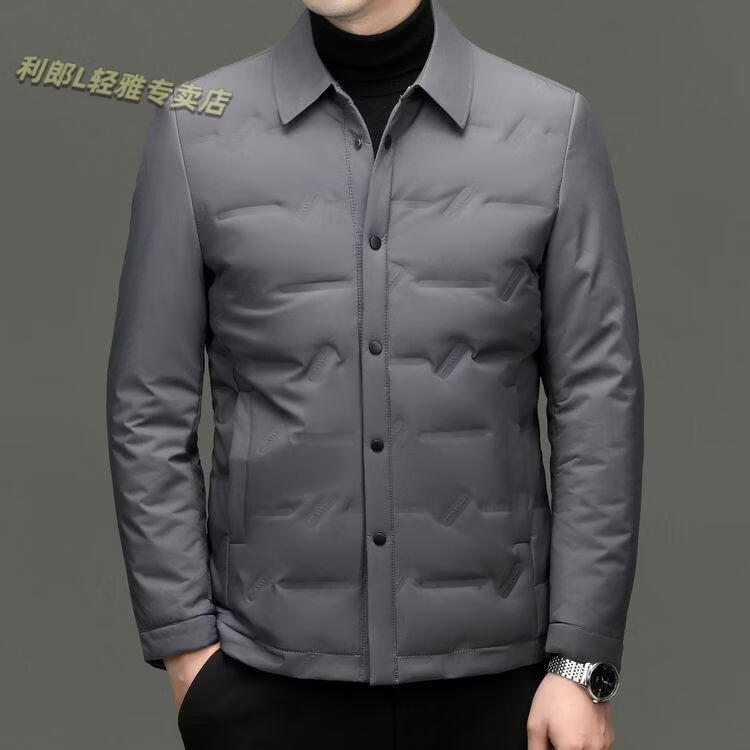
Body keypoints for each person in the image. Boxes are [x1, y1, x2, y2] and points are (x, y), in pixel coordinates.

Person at [105, 0, 644, 747]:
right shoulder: (194, 133)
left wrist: (580, 665)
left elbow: (598, 407)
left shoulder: (553, 131)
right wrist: (187, 653)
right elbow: (147, 407)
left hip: (505, 694)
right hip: (264, 685)